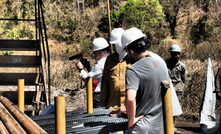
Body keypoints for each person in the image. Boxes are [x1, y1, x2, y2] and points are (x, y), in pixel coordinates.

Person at [121, 27, 170, 134]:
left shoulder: (133, 70)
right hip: (161, 126)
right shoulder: (161, 63)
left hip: (142, 128)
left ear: (131, 51)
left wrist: (131, 121)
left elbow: (130, 99)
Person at [99, 28, 129, 111]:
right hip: (113, 107)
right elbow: (105, 82)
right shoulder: (110, 60)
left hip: (130, 108)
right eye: (114, 45)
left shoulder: (133, 59)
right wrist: (102, 104)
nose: (116, 46)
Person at [76, 37, 109, 108]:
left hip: (99, 96)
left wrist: (81, 69)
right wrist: (88, 67)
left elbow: (87, 78)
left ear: (99, 51)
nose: (94, 54)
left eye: (94, 52)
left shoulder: (100, 65)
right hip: (107, 95)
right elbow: (96, 74)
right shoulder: (109, 61)